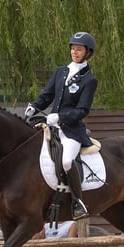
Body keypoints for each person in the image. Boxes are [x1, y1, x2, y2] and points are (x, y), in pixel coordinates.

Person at [25, 31, 98, 220]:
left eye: (79, 49)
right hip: (52, 127)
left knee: (66, 161)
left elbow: (82, 110)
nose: (75, 52)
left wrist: (59, 117)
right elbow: (47, 95)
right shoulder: (60, 71)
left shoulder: (89, 80)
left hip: (72, 131)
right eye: (73, 48)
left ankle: (77, 202)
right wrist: (34, 106)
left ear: (88, 53)